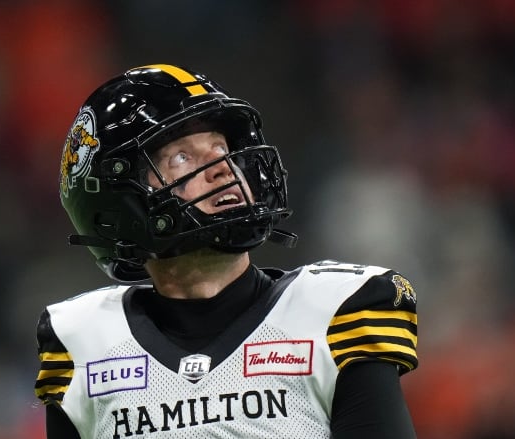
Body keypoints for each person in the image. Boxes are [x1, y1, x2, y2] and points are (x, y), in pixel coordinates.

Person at [34, 64, 419, 438]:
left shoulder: (336, 312)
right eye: (181, 157)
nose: (223, 168)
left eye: (221, 148)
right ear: (120, 203)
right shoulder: (83, 343)